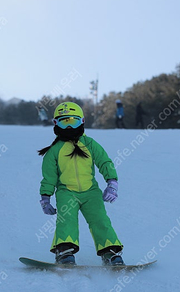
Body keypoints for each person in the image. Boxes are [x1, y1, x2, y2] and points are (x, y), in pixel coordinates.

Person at [38, 102, 124, 266]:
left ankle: (110, 252)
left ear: (82, 122)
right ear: (56, 124)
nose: (69, 127)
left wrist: (112, 183)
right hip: (66, 192)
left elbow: (104, 162)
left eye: (73, 122)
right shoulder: (55, 150)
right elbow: (49, 177)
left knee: (100, 220)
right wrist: (45, 198)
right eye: (65, 122)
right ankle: (64, 252)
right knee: (66, 220)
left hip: (91, 192)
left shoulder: (90, 144)